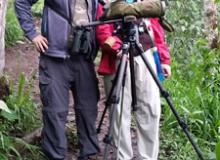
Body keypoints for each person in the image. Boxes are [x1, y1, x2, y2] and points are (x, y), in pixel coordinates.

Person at [14, 0, 100, 159]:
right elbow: (22, 2)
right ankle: (56, 155)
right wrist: (33, 34)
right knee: (55, 110)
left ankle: (88, 154)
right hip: (55, 58)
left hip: (84, 57)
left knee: (88, 109)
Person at [96, 1, 171, 159]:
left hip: (146, 54)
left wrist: (164, 60)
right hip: (118, 59)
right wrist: (116, 48)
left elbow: (156, 29)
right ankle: (122, 156)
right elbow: (101, 27)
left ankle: (148, 157)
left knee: (151, 109)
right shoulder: (106, 1)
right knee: (119, 112)